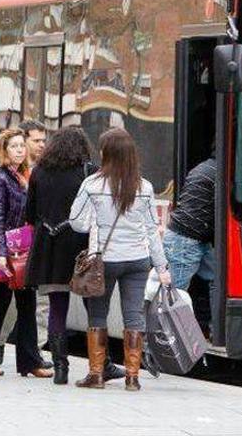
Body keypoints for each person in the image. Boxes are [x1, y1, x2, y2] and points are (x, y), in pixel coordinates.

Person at [69, 128, 171, 391]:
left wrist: (96, 221)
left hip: (106, 260)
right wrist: (162, 267)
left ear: (106, 153)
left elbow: (76, 223)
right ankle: (133, 378)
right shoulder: (144, 187)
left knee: (98, 314)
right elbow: (152, 229)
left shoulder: (92, 185)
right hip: (138, 259)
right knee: (133, 316)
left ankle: (96, 375)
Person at [0, 129, 51, 378]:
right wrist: (1, 254)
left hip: (22, 250)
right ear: (3, 151)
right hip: (6, 251)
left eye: (21, 146)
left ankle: (28, 362)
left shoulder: (22, 177)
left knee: (27, 303)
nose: (19, 150)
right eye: (14, 146)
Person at [24, 126, 94, 384]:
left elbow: (29, 214)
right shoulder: (88, 172)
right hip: (81, 250)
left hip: (49, 249)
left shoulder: (39, 172)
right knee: (93, 307)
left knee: (57, 308)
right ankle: (100, 364)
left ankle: (61, 370)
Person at [163, 154, 217, 336]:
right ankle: (168, 341)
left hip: (196, 238)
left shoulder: (204, 167)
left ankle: (211, 328)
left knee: (218, 279)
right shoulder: (218, 174)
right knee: (176, 295)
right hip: (185, 239)